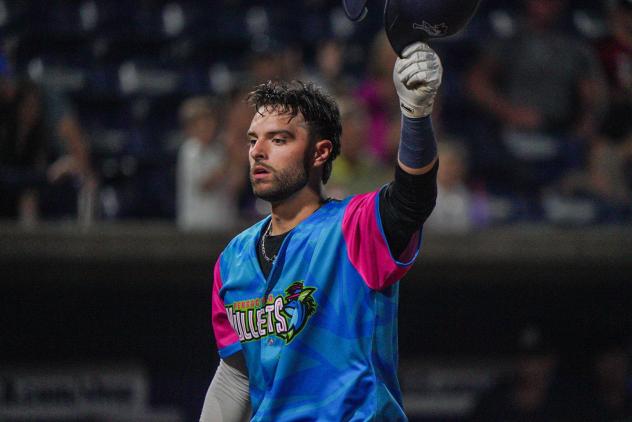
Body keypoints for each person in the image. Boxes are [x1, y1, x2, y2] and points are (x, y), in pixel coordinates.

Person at [200, 41, 442, 421]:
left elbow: (413, 198)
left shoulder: (355, 226)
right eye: (253, 140)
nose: (258, 151)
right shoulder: (233, 258)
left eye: (278, 139)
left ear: (319, 153)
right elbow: (236, 374)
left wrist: (415, 114)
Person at [467, 0, 607, 203]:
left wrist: (584, 125)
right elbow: (476, 82)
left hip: (560, 132)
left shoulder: (574, 42)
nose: (546, 5)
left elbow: (592, 95)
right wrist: (509, 112)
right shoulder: (511, 37)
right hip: (513, 131)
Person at [176, 96, 239, 231]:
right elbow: (205, 185)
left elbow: (234, 187)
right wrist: (229, 159)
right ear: (190, 128)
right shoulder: (189, 150)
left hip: (222, 224)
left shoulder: (219, 151)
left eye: (209, 122)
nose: (207, 127)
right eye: (201, 123)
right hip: (196, 226)